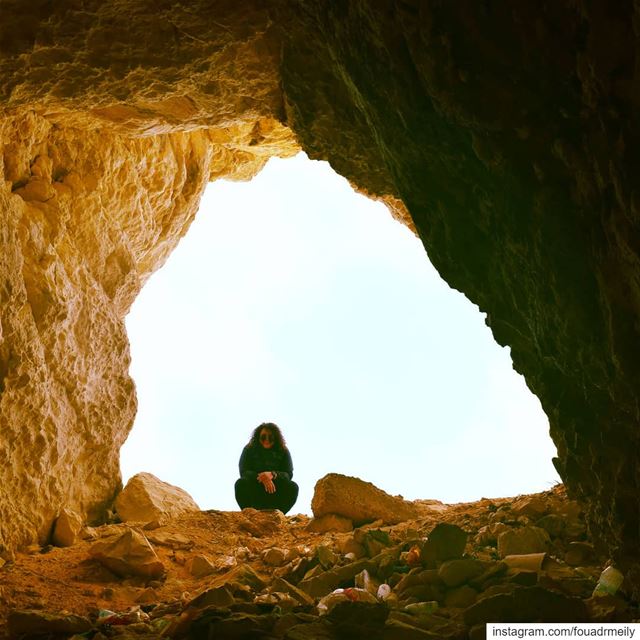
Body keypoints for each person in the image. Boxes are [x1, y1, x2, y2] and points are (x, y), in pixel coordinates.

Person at [234, 422, 299, 514]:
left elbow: (289, 473)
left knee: (293, 487)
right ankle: (249, 513)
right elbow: (244, 471)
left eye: (270, 437)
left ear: (275, 438)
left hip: (274, 492)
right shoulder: (249, 449)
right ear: (258, 437)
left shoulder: (283, 450)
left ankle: (278, 514)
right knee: (241, 483)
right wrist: (263, 477)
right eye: (263, 437)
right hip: (255, 491)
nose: (267, 440)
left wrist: (273, 475)